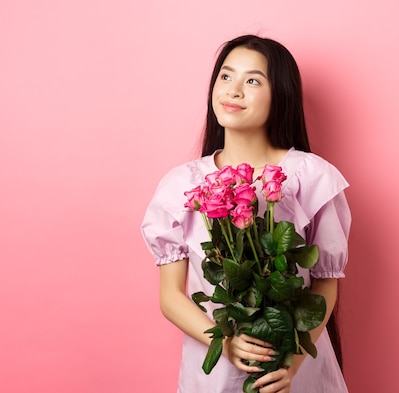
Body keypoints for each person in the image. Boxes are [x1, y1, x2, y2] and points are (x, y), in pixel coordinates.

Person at [141, 34, 351, 393]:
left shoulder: (311, 177)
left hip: (294, 372)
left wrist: (291, 364)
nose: (233, 90)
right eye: (226, 76)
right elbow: (170, 297)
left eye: (252, 80)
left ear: (280, 95)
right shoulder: (181, 186)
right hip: (213, 376)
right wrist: (224, 343)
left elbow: (325, 284)